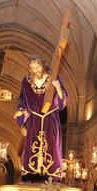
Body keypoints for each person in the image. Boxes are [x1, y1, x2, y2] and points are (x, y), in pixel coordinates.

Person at [15, 54, 68, 182]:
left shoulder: (53, 78)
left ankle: (51, 175)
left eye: (37, 66)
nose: (35, 70)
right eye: (32, 68)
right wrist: (21, 112)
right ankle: (31, 174)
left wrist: (59, 89)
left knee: (52, 146)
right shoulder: (26, 81)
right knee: (32, 146)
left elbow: (61, 102)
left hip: (50, 119)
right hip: (35, 120)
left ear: (43, 65)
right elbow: (23, 100)